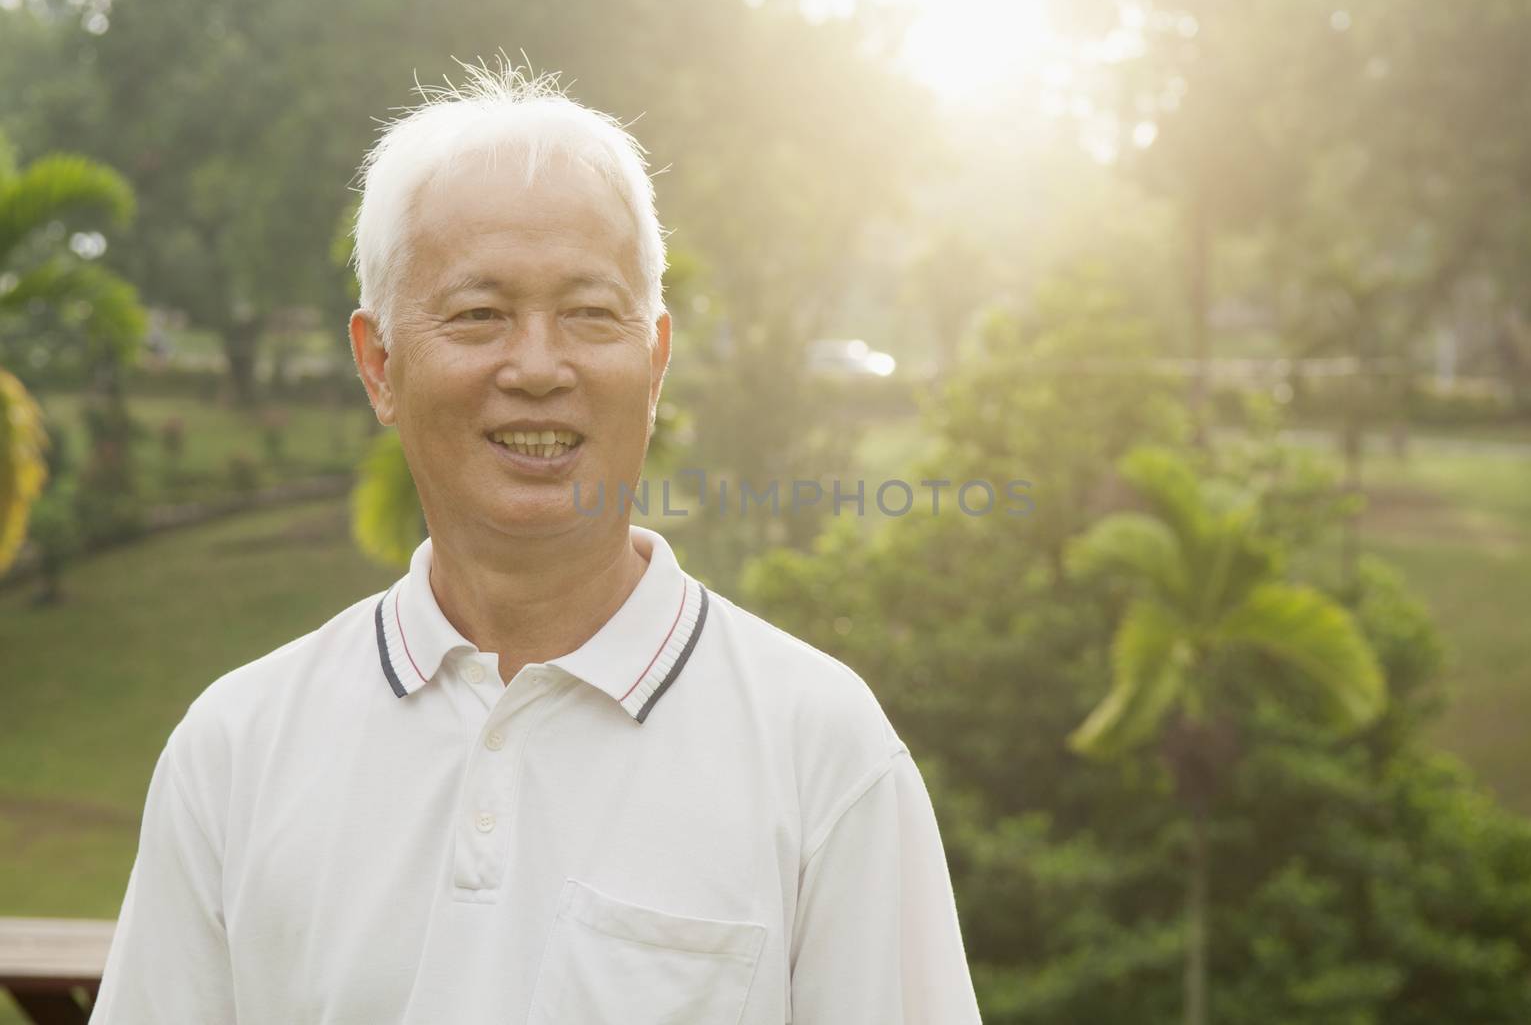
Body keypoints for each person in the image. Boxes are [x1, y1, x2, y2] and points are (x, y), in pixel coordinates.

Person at [90, 64, 982, 1025]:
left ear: (655, 359)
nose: (538, 366)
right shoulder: (235, 751)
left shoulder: (823, 752)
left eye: (592, 315)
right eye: (479, 314)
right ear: (379, 364)